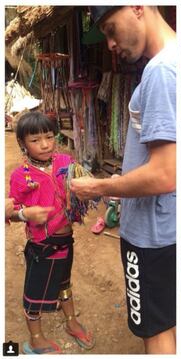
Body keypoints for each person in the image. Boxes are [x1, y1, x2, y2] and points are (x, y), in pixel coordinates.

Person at [70, 6, 176, 354]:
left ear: (137, 7)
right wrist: (125, 178)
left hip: (150, 234)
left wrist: (99, 186)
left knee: (156, 331)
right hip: (169, 228)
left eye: (112, 29)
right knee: (169, 318)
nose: (111, 43)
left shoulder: (160, 72)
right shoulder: (174, 60)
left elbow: (164, 174)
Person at [9, 112, 95, 354]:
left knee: (64, 283)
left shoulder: (65, 162)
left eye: (49, 136)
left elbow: (85, 186)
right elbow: (11, 210)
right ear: (22, 143)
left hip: (66, 240)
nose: (45, 144)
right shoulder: (20, 176)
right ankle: (35, 338)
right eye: (35, 140)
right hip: (42, 245)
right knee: (34, 294)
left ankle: (71, 322)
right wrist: (26, 214)